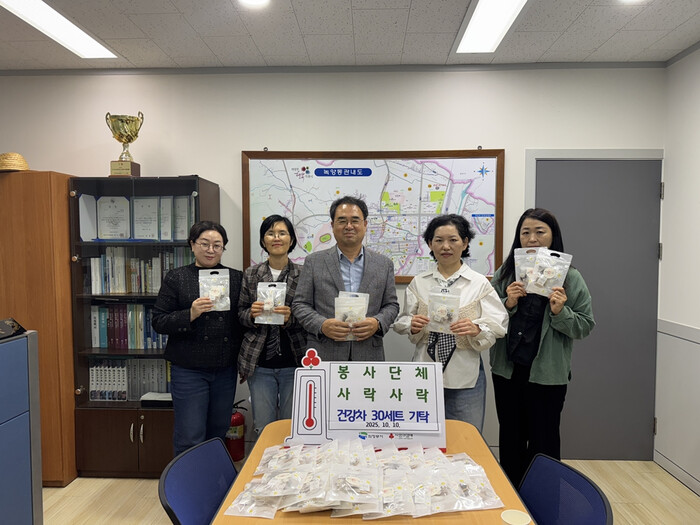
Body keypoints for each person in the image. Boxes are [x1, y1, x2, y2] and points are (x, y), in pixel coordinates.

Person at [490, 208, 595, 485]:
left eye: (540, 232)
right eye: (525, 233)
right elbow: (486, 318)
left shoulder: (570, 277)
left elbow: (585, 325)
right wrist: (508, 303)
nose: (532, 239)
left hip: (547, 375)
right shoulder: (505, 273)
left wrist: (561, 312)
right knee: (510, 439)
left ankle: (544, 500)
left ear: (553, 236)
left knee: (544, 442)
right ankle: (513, 498)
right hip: (508, 372)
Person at [393, 214, 508, 432]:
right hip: (424, 373)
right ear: (430, 244)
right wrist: (412, 325)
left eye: (453, 240)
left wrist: (476, 329)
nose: (446, 246)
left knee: (465, 438)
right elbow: (402, 320)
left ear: (465, 243)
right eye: (438, 240)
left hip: (465, 376)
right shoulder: (419, 282)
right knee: (424, 437)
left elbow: (498, 324)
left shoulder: (479, 283)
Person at [152, 220, 243, 456]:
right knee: (190, 435)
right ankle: (187, 479)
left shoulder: (236, 278)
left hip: (224, 369)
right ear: (192, 245)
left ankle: (213, 478)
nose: (211, 250)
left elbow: (242, 321)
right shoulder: (177, 277)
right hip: (188, 370)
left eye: (217, 245)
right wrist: (190, 314)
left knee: (218, 432)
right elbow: (158, 321)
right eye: (204, 243)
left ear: (223, 248)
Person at [292, 195, 399, 361]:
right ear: (332, 225)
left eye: (355, 220)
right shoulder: (314, 262)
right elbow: (300, 304)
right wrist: (322, 325)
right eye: (342, 221)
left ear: (365, 224)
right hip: (325, 352)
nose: (349, 226)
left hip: (368, 353)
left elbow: (391, 305)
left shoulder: (383, 264)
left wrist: (377, 322)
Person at [238, 215, 307, 436]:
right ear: (263, 240)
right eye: (270, 233)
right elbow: (239, 314)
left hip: (295, 362)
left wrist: (291, 318)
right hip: (259, 365)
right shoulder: (251, 274)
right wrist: (251, 314)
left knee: (291, 428)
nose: (276, 238)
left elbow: (312, 316)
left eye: (282, 233)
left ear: (291, 240)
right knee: (264, 428)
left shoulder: (304, 274)